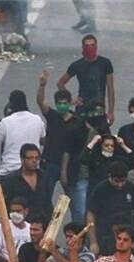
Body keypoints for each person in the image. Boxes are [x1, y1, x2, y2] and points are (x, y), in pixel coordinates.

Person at [36, 70, 88, 222]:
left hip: (71, 167)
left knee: (78, 208)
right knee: (44, 199)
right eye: (59, 103)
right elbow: (40, 102)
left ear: (70, 102)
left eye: (65, 103)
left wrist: (65, 171)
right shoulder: (53, 116)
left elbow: (76, 148)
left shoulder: (78, 123)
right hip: (50, 163)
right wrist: (42, 85)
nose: (62, 106)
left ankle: (77, 231)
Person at [57, 34, 115, 125]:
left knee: (101, 133)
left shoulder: (105, 63)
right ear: (83, 47)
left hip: (99, 109)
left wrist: (110, 112)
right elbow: (60, 83)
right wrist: (71, 100)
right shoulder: (77, 65)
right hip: (82, 108)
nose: (90, 48)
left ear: (96, 47)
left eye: (92, 45)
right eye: (87, 46)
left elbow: (110, 88)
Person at [85, 161, 134, 256]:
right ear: (110, 176)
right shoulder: (100, 190)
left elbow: (133, 211)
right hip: (104, 236)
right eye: (116, 181)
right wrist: (93, 242)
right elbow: (90, 215)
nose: (120, 184)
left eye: (123, 181)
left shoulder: (130, 187)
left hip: (124, 236)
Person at [0, 143, 51, 217]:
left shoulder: (44, 177)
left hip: (41, 221)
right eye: (30, 158)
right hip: (20, 220)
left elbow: (48, 202)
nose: (34, 161)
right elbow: (6, 205)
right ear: (22, 159)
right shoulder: (11, 179)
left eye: (37, 158)